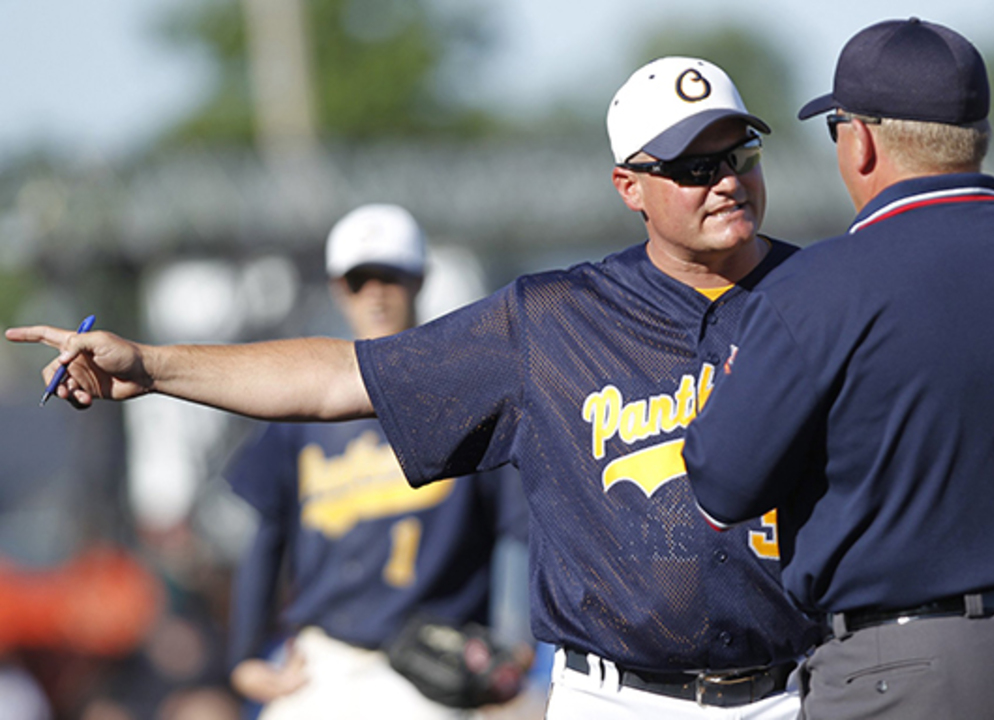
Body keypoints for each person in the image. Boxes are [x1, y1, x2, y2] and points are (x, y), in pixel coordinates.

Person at [6, 56, 822, 720]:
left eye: (740, 155)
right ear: (629, 187)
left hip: (799, 687)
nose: (725, 180)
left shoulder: (827, 295)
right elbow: (340, 375)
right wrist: (153, 366)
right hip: (618, 700)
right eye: (694, 166)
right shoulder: (553, 320)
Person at [682, 17, 994, 720]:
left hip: (904, 662)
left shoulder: (816, 286)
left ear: (859, 141)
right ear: (976, 133)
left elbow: (721, 488)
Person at [222, 204, 527, 719]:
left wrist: (517, 641)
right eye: (360, 280)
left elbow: (521, 530)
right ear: (338, 288)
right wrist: (245, 653)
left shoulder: (465, 399)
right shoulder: (303, 408)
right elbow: (268, 533)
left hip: (431, 666)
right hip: (323, 660)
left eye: (391, 277)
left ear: (419, 281)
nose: (376, 294)